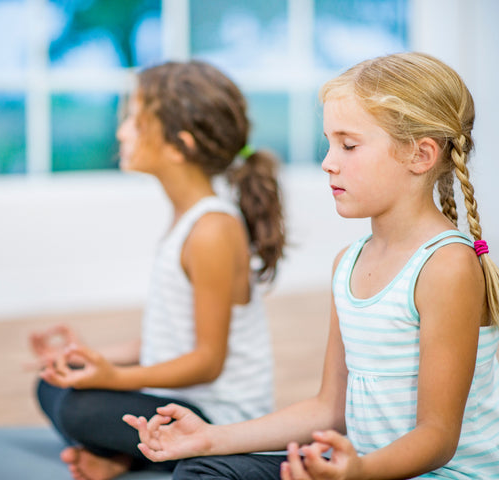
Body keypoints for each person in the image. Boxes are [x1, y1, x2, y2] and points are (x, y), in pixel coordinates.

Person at [124, 52, 499, 479]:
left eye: (349, 145)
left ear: (421, 155)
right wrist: (210, 437)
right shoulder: (349, 263)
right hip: (360, 469)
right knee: (204, 470)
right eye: (328, 142)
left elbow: (438, 438)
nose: (328, 162)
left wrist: (356, 471)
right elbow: (328, 409)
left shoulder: (447, 266)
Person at [28, 60, 286, 480]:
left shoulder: (213, 230)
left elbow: (207, 361)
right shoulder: (187, 219)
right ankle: (125, 455)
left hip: (217, 415)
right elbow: (169, 338)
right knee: (54, 382)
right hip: (173, 398)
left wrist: (115, 378)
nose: (121, 131)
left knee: (81, 407)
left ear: (177, 146)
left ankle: (134, 454)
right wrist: (87, 359)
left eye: (133, 118)